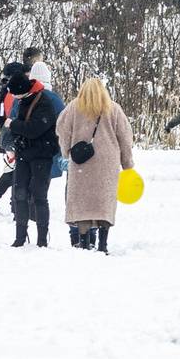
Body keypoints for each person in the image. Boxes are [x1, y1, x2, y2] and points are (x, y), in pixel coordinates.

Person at [55, 74, 134, 251]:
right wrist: (127, 163)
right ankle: (103, 245)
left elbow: (62, 129)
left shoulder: (73, 108)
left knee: (82, 203)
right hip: (107, 163)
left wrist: (66, 151)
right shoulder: (113, 109)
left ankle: (84, 243)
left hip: (81, 163)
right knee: (103, 203)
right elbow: (125, 137)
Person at [1, 63, 62, 247]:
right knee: (19, 195)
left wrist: (12, 125)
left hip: (41, 155)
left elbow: (35, 128)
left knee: (39, 196)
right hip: (23, 154)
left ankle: (42, 240)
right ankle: (20, 237)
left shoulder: (43, 101)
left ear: (21, 90)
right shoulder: (22, 101)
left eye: (14, 93)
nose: (13, 97)